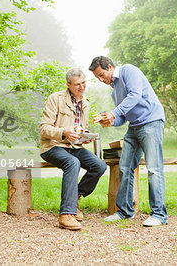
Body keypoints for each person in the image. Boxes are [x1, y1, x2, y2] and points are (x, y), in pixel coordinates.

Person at [89, 56, 168, 227]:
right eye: (98, 78)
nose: (102, 80)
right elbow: (123, 116)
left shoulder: (128, 70)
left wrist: (113, 113)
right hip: (134, 126)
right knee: (124, 168)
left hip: (151, 121)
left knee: (154, 169)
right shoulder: (114, 89)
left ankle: (159, 214)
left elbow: (135, 95)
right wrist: (110, 121)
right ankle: (124, 212)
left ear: (110, 66)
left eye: (102, 75)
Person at [39, 68, 107, 230]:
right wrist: (63, 133)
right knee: (73, 162)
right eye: (77, 84)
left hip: (74, 146)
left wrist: (85, 136)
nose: (81, 87)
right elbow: (43, 129)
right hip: (53, 146)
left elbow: (80, 129)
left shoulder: (86, 103)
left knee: (99, 166)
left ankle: (75, 196)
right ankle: (66, 214)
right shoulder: (55, 99)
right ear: (68, 84)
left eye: (83, 83)